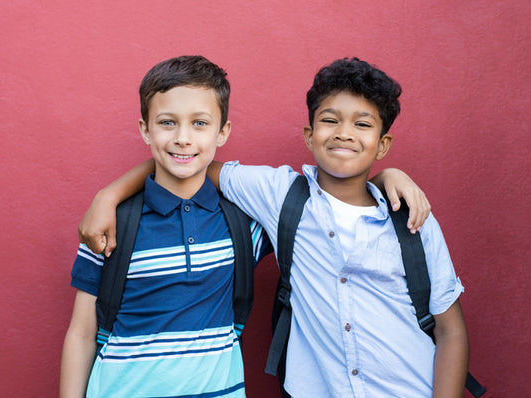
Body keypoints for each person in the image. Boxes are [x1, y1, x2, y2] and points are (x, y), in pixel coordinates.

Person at [77, 57, 450, 397]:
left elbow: (192, 159)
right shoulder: (276, 198)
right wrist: (108, 196)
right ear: (309, 134)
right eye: (331, 120)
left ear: (222, 132)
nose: (344, 134)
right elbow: (187, 163)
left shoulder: (405, 217)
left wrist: (388, 177)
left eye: (362, 125)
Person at [60, 55, 274, 398]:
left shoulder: (243, 225)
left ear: (223, 132)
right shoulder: (110, 227)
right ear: (145, 129)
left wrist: (384, 179)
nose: (183, 138)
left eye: (200, 124)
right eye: (167, 123)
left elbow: (323, 201)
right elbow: (82, 334)